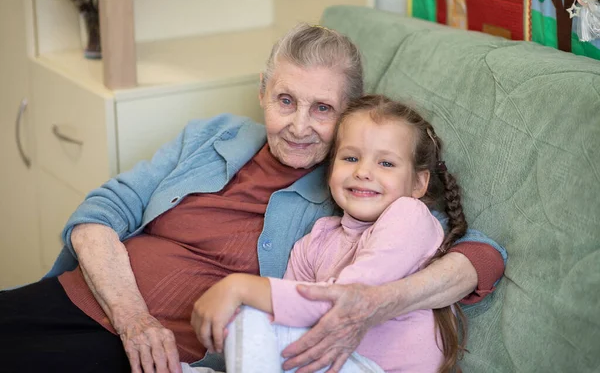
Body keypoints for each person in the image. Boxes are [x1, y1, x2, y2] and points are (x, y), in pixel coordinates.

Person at [0, 24, 506, 373]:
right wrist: (134, 318)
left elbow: (480, 255)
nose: (300, 126)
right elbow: (99, 215)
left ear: (348, 114)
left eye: (323, 108)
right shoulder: (212, 135)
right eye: (286, 100)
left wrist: (370, 303)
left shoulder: (356, 188)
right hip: (88, 299)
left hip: (159, 355)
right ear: (263, 92)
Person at [190, 94, 468, 373]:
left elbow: (348, 301)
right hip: (328, 357)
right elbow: (288, 318)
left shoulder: (410, 216)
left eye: (386, 163)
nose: (363, 171)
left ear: (419, 183)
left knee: (250, 318)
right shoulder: (316, 240)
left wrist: (238, 287)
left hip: (377, 367)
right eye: (350, 157)